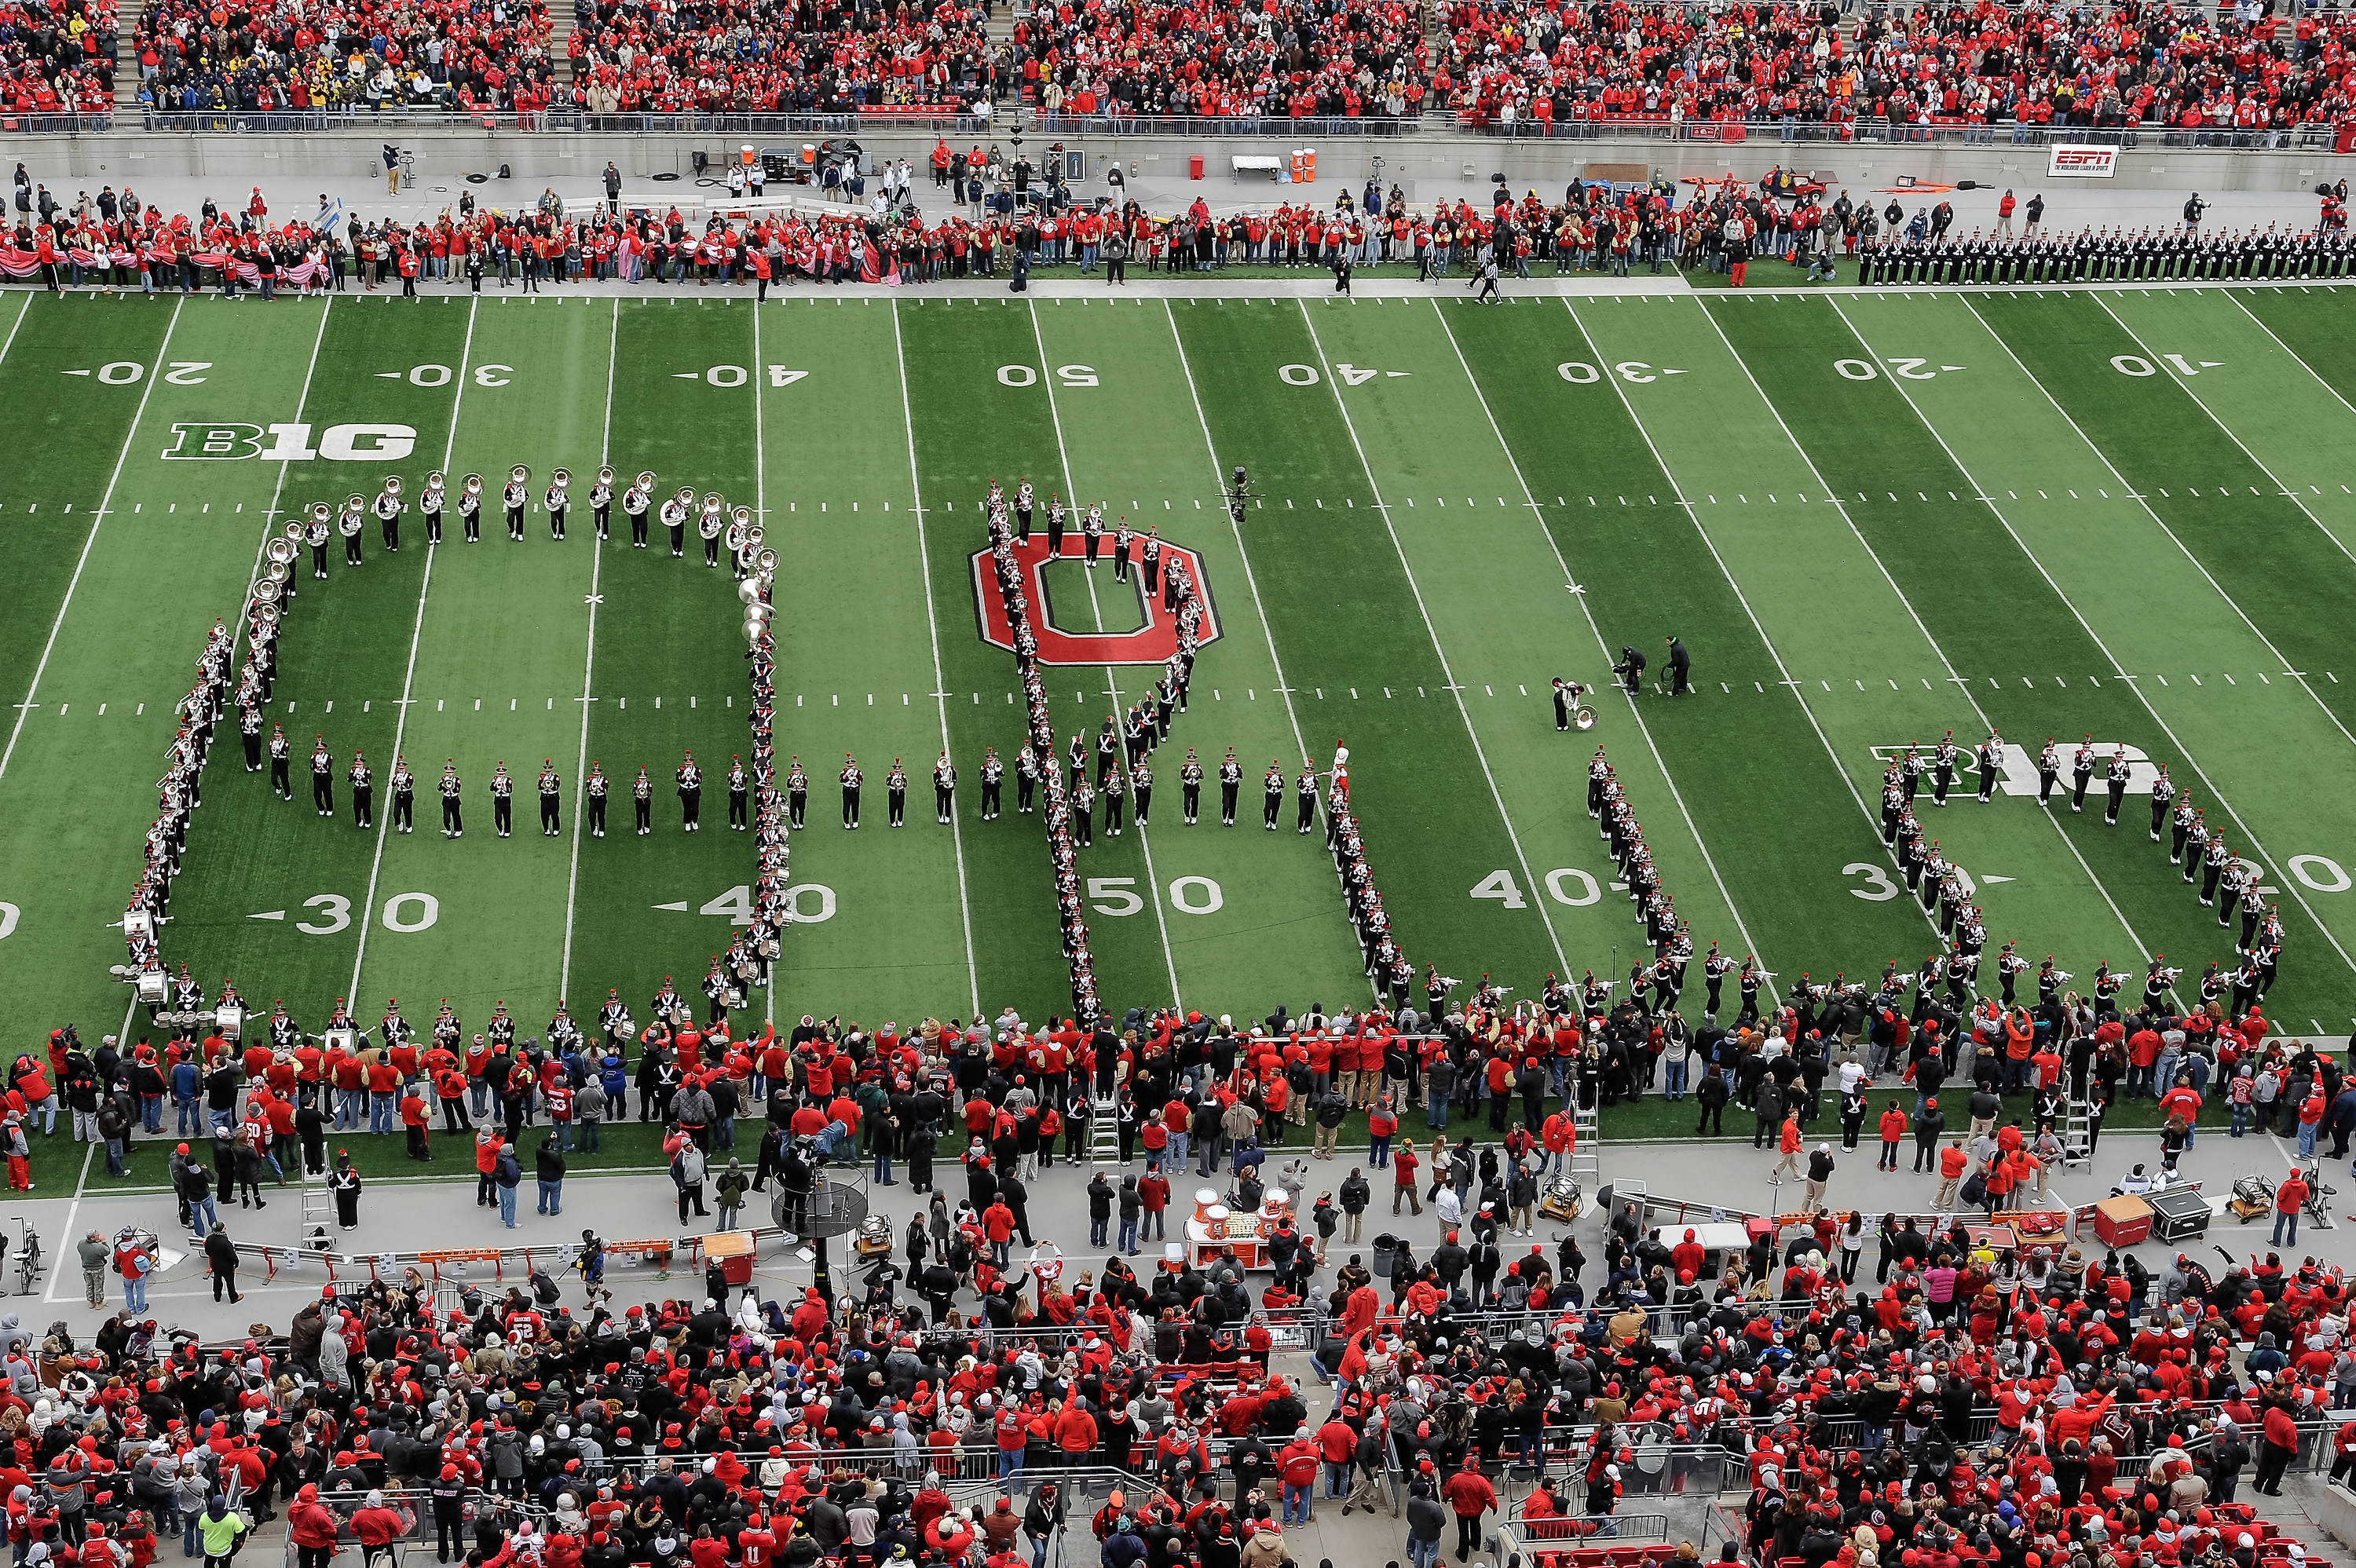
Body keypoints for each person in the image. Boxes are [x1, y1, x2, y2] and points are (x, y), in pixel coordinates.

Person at [205, 1223, 240, 1302]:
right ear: (221, 1230)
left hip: (215, 1264)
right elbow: (232, 1255)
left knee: (217, 1280)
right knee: (230, 1282)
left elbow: (207, 1251)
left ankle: (217, 1297)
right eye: (224, 1228)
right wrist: (236, 1263)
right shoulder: (225, 1242)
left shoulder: (209, 1238)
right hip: (226, 1266)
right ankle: (233, 1298)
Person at [330, 1151, 361, 1228]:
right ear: (348, 1165)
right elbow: (358, 1184)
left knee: (342, 1208)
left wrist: (329, 1178)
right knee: (352, 1208)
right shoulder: (354, 1174)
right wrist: (359, 1193)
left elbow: (331, 1185)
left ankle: (344, 1224)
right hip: (352, 1193)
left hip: (341, 1194)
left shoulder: (336, 1175)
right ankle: (352, 1223)